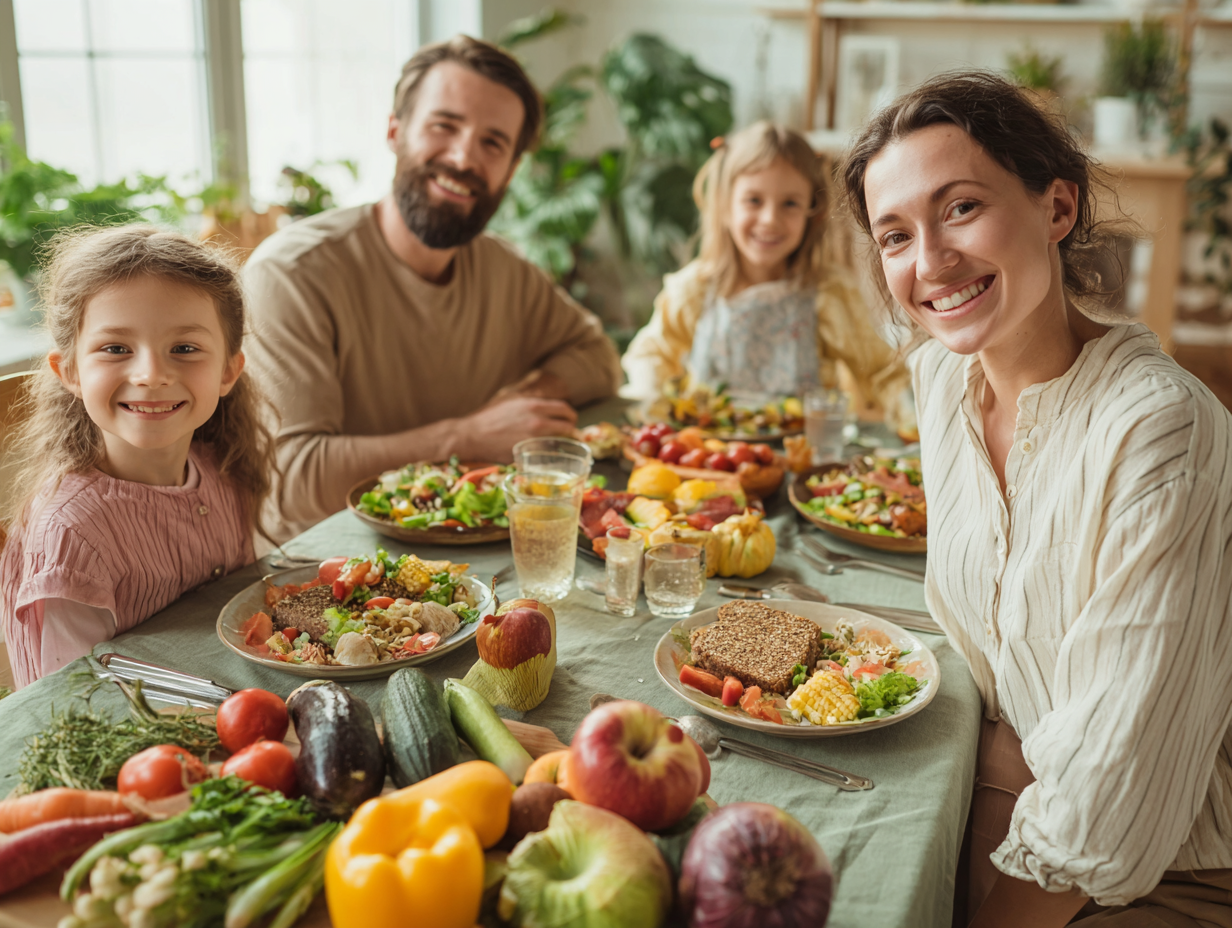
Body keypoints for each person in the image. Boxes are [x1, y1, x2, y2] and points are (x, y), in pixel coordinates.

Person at [841, 71, 1232, 927]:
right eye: (895, 235)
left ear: (1058, 208)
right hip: (1020, 796)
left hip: (1170, 869)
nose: (931, 263)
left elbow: (1114, 794)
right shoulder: (939, 379)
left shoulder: (1160, 430)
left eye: (961, 208)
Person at [244, 35, 622, 541]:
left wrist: (524, 402)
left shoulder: (505, 269)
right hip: (321, 570)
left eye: (493, 143)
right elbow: (292, 478)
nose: (464, 157)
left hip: (474, 552)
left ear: (511, 171)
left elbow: (598, 357)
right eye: (444, 125)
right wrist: (470, 437)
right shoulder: (292, 273)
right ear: (395, 131)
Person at [0, 226, 276, 688]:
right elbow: (78, 702)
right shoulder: (72, 537)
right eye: (116, 349)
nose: (150, 374)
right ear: (69, 371)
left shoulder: (225, 472)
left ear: (229, 370)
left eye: (184, 348)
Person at [621, 120, 908, 413]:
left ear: (813, 212)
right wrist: (655, 401)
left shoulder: (828, 292)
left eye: (790, 204)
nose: (770, 219)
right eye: (754, 200)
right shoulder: (693, 290)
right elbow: (650, 355)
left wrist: (910, 414)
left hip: (803, 455)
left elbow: (881, 372)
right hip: (705, 453)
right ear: (724, 206)